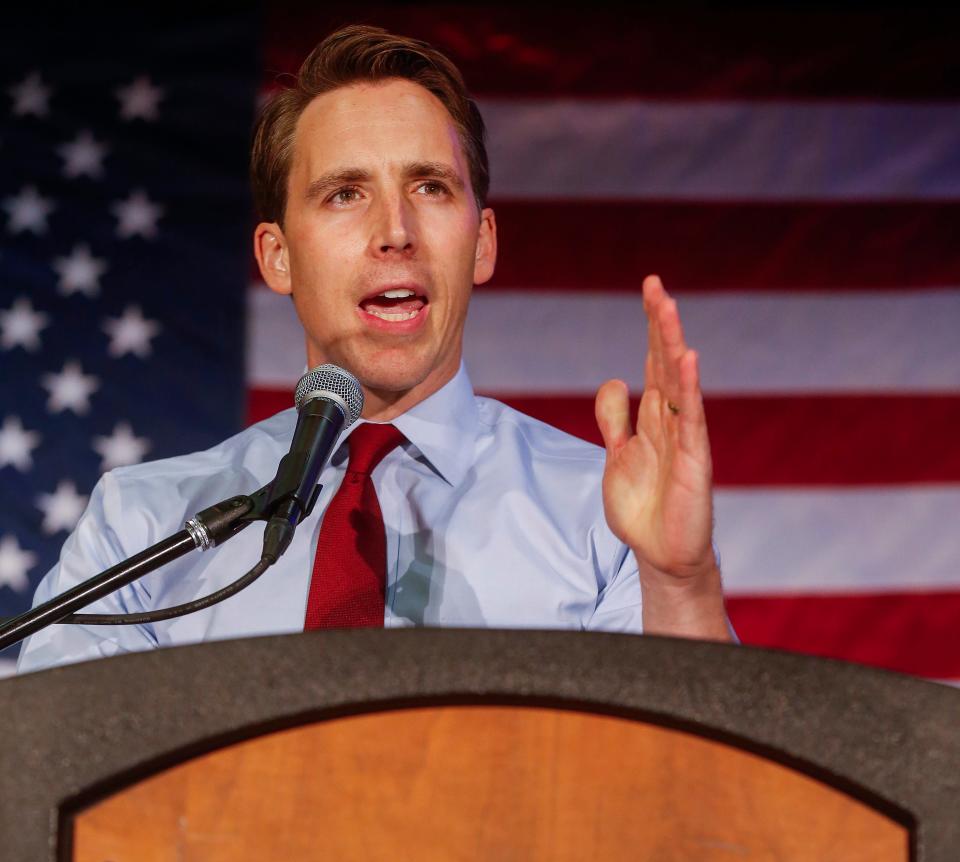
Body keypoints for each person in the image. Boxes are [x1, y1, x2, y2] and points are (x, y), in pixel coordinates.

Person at [17, 24, 732, 674]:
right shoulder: (143, 528)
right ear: (277, 257)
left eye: (430, 186)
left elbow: (682, 785)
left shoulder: (603, 518)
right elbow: (49, 768)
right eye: (345, 194)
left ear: (481, 243)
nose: (395, 230)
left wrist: (678, 582)